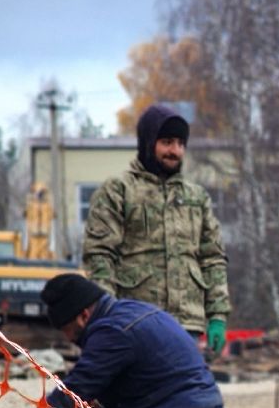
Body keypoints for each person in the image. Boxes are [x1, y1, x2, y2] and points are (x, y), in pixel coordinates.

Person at [16, 273, 229, 408]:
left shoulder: (112, 332)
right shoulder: (132, 312)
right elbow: (153, 385)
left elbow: (70, 395)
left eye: (67, 330)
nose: (69, 339)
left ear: (83, 316)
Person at [82, 104, 231, 353]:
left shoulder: (197, 197)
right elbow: (100, 255)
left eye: (180, 144)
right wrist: (106, 314)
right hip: (136, 321)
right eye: (167, 142)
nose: (175, 151)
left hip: (187, 324)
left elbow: (213, 258)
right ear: (149, 142)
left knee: (184, 391)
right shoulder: (119, 191)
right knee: (140, 391)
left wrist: (218, 315)